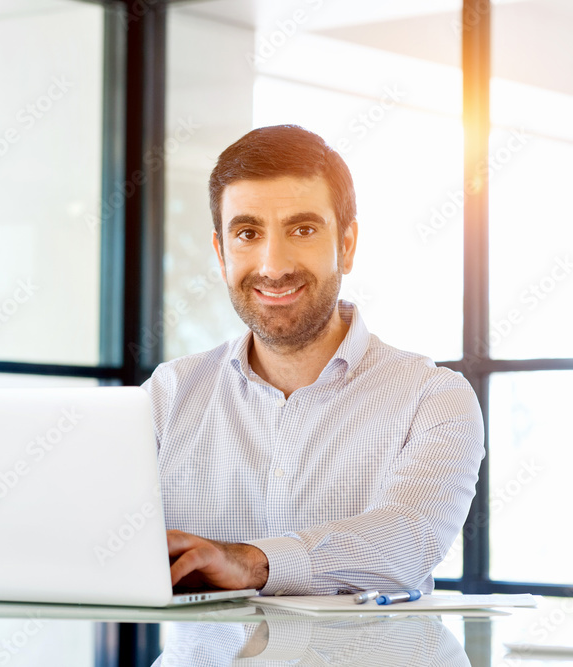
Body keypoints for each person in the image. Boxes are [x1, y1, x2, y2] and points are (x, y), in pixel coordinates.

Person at [144, 125, 484, 595]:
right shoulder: (168, 395)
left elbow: (408, 541)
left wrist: (254, 563)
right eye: (247, 232)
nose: (273, 265)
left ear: (346, 245)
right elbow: (97, 533)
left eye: (302, 229)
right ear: (221, 253)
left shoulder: (433, 398)